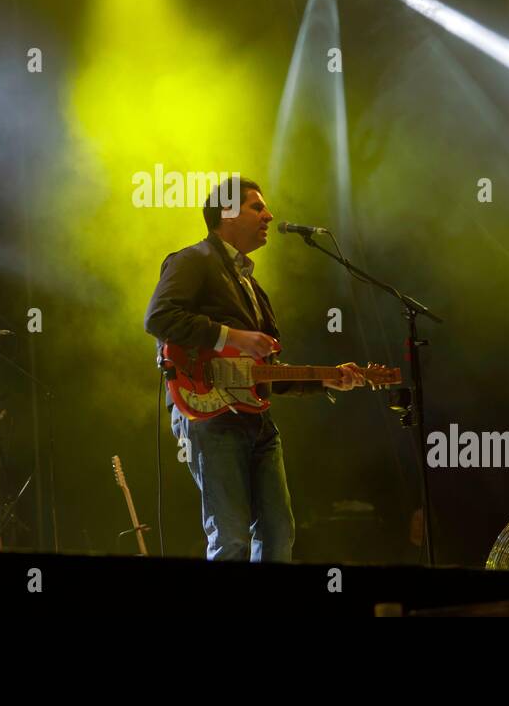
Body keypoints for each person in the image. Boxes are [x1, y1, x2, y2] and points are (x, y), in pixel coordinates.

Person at [145, 176, 364, 561]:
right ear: (227, 213)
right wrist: (233, 337)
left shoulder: (252, 286)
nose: (269, 215)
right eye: (256, 207)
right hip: (209, 413)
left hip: (257, 420)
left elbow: (264, 372)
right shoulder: (193, 259)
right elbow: (159, 317)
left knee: (279, 538)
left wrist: (322, 379)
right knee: (231, 539)